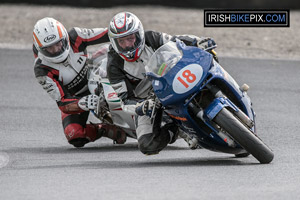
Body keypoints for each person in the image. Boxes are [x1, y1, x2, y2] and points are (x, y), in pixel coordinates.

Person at [106, 12, 217, 155]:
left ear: (138, 34)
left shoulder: (151, 38)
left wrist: (197, 41)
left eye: (130, 38)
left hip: (171, 80)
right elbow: (125, 100)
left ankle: (226, 94)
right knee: (147, 145)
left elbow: (177, 41)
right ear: (114, 43)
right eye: (122, 42)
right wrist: (141, 106)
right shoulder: (113, 65)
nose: (128, 45)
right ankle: (175, 129)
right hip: (149, 101)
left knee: (209, 59)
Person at [33, 17, 127, 148]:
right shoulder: (41, 69)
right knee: (74, 135)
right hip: (77, 98)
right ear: (41, 49)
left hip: (97, 75)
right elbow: (62, 102)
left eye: (58, 43)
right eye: (49, 48)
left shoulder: (76, 35)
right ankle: (104, 129)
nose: (56, 50)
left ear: (64, 37)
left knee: (112, 53)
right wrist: (82, 103)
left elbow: (110, 33)